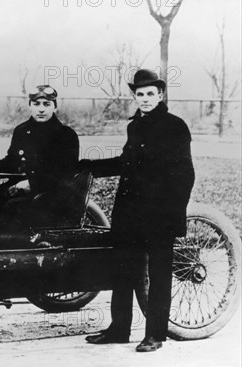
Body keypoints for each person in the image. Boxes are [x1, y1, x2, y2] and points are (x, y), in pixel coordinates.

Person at [79, 69, 195, 352]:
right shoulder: (135, 127)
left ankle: (155, 334)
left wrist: (173, 216)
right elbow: (125, 163)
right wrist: (90, 166)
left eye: (150, 94)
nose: (144, 99)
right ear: (135, 96)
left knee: (158, 275)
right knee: (122, 270)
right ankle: (119, 329)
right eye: (140, 94)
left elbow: (185, 175)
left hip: (159, 216)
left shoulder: (175, 126)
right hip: (129, 213)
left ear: (161, 95)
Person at [0, 85, 79, 243]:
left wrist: (31, 183)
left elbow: (65, 174)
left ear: (55, 107)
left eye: (47, 104)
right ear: (30, 106)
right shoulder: (22, 131)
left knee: (10, 210)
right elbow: (10, 163)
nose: (41, 109)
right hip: (17, 193)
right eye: (36, 104)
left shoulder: (66, 135)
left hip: (50, 198)